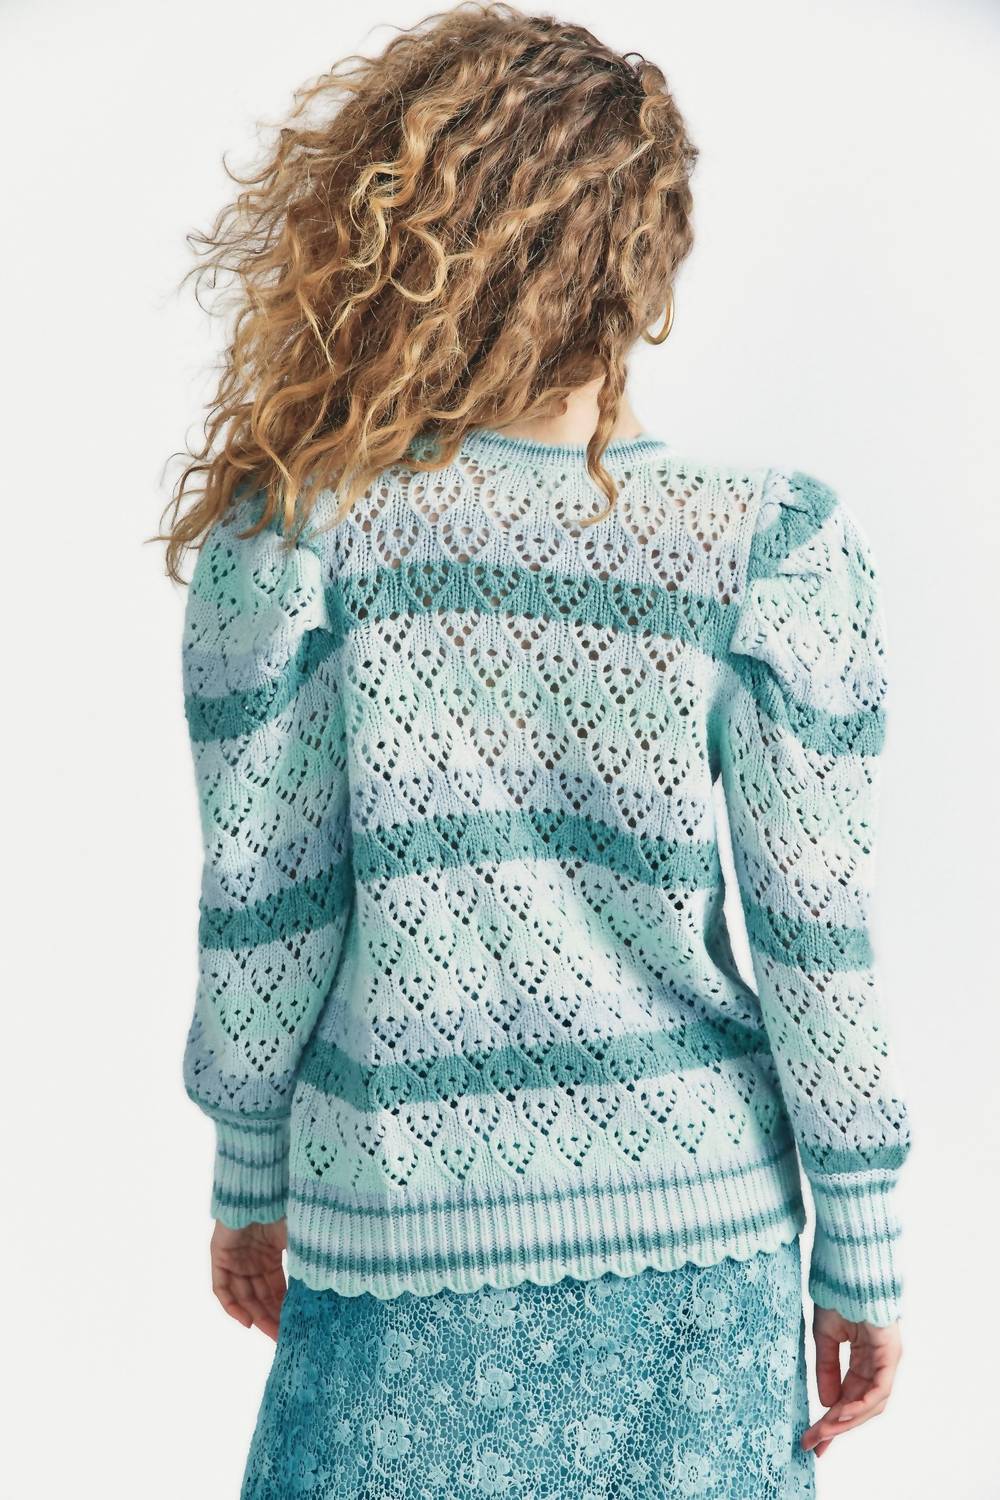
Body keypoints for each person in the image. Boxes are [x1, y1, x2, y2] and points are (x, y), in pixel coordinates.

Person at [159, 5, 910, 1494]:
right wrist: (865, 1247)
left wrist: (249, 1170)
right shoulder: (763, 546)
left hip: (397, 1234)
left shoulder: (304, 539)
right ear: (645, 262)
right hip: (704, 1247)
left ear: (398, 240)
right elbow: (816, 938)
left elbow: (267, 912)